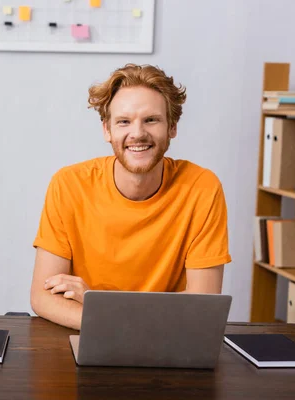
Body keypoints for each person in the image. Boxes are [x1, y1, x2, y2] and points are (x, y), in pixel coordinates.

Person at [30, 64, 231, 330]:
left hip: (166, 344)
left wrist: (97, 306)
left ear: (172, 127)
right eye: (124, 121)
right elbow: (42, 298)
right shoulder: (69, 184)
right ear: (107, 130)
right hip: (105, 336)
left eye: (151, 120)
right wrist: (124, 321)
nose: (137, 133)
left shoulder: (202, 188)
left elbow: (202, 305)